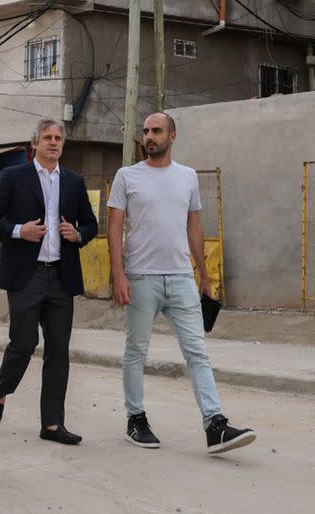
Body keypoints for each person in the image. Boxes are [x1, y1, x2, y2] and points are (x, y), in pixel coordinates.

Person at [107, 112, 256, 454]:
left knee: (198, 353)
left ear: (172, 136)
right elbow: (115, 226)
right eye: (146, 131)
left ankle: (215, 425)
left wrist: (203, 275)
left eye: (156, 131)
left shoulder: (187, 176)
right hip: (141, 278)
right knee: (136, 351)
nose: (150, 136)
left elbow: (194, 227)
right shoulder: (126, 176)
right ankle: (135, 418)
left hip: (182, 278)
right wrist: (118, 273)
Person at [0, 118, 97, 444]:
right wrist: (19, 231)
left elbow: (91, 224)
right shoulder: (15, 177)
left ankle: (52, 425)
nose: (54, 142)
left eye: (58, 138)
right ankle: (1, 393)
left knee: (59, 351)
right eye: (48, 137)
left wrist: (78, 233)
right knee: (24, 343)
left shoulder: (73, 182)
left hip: (61, 276)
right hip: (25, 276)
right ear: (36, 144)